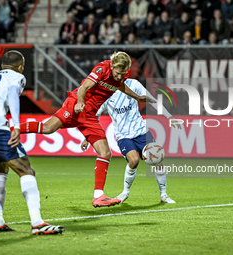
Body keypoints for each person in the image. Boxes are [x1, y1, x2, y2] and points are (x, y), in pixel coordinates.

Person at [14, 52, 154, 208]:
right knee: (48, 128)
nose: (120, 76)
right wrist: (80, 102)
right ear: (113, 66)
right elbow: (84, 86)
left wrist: (137, 97)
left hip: (90, 115)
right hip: (76, 105)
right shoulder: (103, 68)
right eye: (118, 73)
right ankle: (14, 129)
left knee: (105, 152)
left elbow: (120, 85)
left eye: (123, 74)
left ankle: (98, 196)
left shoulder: (120, 76)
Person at [0, 50, 65, 235]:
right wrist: (16, 125)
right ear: (20, 67)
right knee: (26, 170)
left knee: (1, 169)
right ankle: (37, 223)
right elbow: (12, 94)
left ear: (2, 65)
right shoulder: (17, 76)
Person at [81, 79, 180, 203]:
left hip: (142, 131)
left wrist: (169, 117)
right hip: (123, 136)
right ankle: (125, 192)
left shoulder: (133, 84)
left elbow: (151, 100)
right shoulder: (105, 93)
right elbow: (95, 116)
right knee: (134, 161)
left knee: (157, 161)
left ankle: (163, 195)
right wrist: (87, 137)